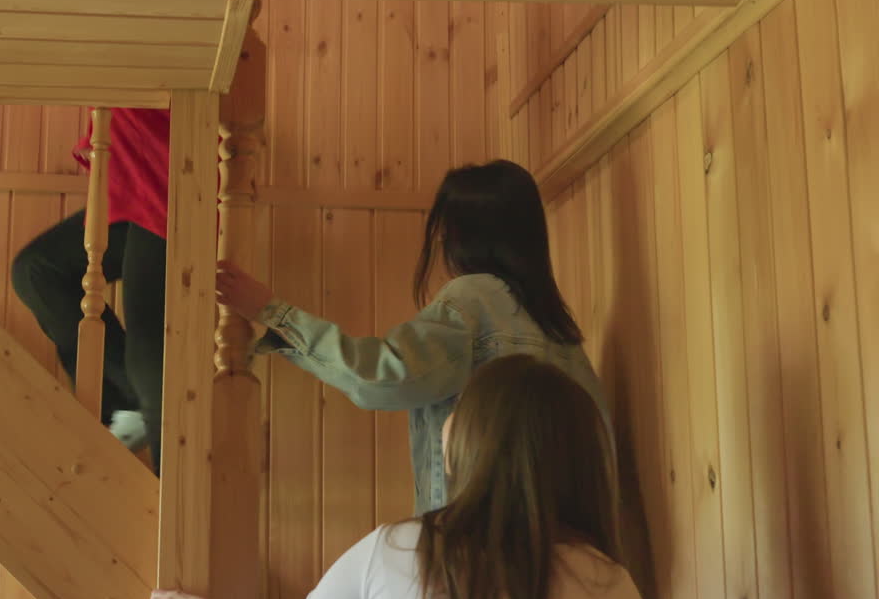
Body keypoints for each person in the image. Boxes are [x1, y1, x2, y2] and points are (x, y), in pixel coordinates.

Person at [148, 354, 659, 599]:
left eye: (460, 411)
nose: (445, 424)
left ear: (473, 444)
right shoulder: (609, 584)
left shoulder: (402, 551)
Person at [215, 159, 611, 513]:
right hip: (567, 557)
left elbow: (382, 375)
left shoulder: (474, 300)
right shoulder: (562, 335)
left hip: (484, 551)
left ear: (461, 236)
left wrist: (272, 312)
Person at [11, 108, 172, 471]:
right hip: (135, 187)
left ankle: (172, 503)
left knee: (149, 360)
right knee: (36, 271)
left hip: (173, 187)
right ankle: (124, 403)